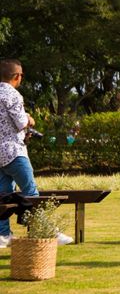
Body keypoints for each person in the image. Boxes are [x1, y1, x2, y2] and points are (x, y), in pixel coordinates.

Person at [0, 59, 73, 248]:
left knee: (3, 196)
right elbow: (20, 122)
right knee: (31, 193)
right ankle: (43, 231)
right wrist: (29, 119)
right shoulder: (13, 95)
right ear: (17, 76)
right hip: (14, 153)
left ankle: (3, 235)